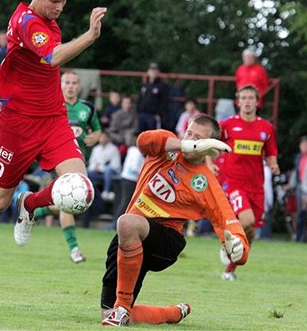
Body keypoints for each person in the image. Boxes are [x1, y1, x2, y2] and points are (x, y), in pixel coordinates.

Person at [0, 0, 106, 263]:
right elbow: (54, 57)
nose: (59, 8)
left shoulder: (47, 19)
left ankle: (30, 205)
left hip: (53, 119)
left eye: (64, 2)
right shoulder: (26, 21)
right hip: (18, 123)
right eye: (54, 1)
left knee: (81, 188)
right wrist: (90, 36)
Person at [100, 115, 247, 326]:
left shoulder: (205, 183)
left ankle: (122, 307)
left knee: (127, 222)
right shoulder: (166, 147)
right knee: (106, 318)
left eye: (199, 139)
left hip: (167, 241)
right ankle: (172, 313)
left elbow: (229, 223)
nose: (191, 140)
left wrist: (239, 250)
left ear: (209, 149)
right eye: (189, 133)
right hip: (130, 237)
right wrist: (186, 143)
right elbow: (143, 140)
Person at [33, 70, 102, 263]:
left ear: (79, 86)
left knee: (74, 205)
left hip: (79, 164)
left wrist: (93, 138)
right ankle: (74, 250)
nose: (70, 86)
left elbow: (97, 130)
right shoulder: (52, 105)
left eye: (74, 83)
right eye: (67, 82)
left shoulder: (87, 108)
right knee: (68, 204)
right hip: (56, 163)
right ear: (60, 84)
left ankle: (35, 212)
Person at [212, 85, 279, 281]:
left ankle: (230, 269)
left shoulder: (266, 128)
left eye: (251, 97)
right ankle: (227, 243)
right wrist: (209, 162)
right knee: (247, 220)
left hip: (257, 185)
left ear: (257, 101)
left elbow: (271, 153)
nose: (247, 101)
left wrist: (274, 165)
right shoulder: (228, 124)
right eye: (244, 98)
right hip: (234, 182)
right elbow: (212, 143)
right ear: (238, 101)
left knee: (251, 232)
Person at [110, 140, 145, 230]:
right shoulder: (138, 153)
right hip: (131, 179)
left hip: (124, 177)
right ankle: (116, 223)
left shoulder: (132, 150)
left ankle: (115, 223)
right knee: (126, 202)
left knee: (123, 201)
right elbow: (135, 167)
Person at [87, 131, 121, 202]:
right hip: (97, 174)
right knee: (88, 172)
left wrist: (101, 169)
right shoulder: (96, 149)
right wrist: (94, 167)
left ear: (108, 138)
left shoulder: (113, 149)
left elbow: (116, 165)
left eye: (104, 137)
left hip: (110, 173)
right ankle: (92, 193)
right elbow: (91, 163)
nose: (102, 139)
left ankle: (106, 191)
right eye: (101, 137)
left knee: (108, 170)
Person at [137, 62, 168, 132]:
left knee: (153, 135)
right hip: (142, 114)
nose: (153, 72)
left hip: (153, 115)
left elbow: (164, 101)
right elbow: (140, 99)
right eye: (151, 70)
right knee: (141, 134)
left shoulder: (162, 86)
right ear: (148, 72)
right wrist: (138, 112)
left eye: (155, 70)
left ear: (158, 72)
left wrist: (159, 114)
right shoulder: (145, 85)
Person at [294, 136, 307, 242]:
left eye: (306, 144)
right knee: (300, 212)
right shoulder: (299, 157)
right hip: (300, 186)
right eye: (302, 144)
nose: (304, 146)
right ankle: (299, 236)